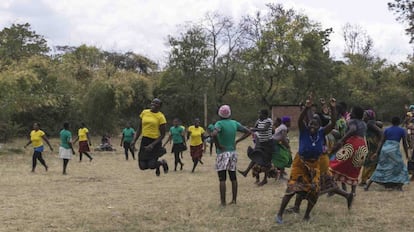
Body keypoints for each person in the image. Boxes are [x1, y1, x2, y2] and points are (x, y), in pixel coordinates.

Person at [275, 96, 336, 224]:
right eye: (310, 123)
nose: (312, 125)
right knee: (293, 188)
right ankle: (279, 214)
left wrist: (333, 108)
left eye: (315, 124)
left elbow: (333, 123)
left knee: (315, 191)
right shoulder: (304, 131)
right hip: (300, 163)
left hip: (315, 165)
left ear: (320, 126)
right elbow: (301, 119)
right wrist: (307, 107)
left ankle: (307, 215)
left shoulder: (321, 133)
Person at [211, 104, 251, 206]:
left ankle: (223, 202)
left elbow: (214, 134)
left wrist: (218, 145)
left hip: (222, 153)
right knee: (233, 177)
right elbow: (248, 132)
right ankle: (234, 200)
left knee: (222, 178)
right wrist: (237, 141)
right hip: (232, 152)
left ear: (219, 114)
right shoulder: (234, 123)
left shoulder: (219, 123)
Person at [329, 106, 368, 196]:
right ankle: (352, 192)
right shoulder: (364, 123)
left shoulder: (352, 121)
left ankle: (332, 188)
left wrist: (342, 140)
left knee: (335, 164)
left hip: (353, 144)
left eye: (351, 112)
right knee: (354, 168)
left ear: (354, 114)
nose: (350, 113)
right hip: (362, 146)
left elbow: (353, 129)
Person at [365, 116, 410, 191]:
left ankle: (368, 186)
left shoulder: (387, 130)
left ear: (391, 122)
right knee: (401, 168)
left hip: (385, 149)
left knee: (381, 167)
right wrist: (407, 154)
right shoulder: (402, 130)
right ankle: (399, 186)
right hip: (394, 149)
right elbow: (404, 143)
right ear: (399, 122)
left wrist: (376, 152)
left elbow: (382, 141)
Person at [131, 98, 168, 176]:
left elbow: (162, 135)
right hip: (145, 140)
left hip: (155, 142)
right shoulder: (144, 112)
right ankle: (158, 163)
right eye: (153, 102)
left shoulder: (161, 117)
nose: (153, 104)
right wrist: (134, 140)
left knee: (151, 165)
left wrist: (152, 145)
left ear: (160, 106)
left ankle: (162, 163)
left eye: (156, 103)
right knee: (142, 166)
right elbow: (139, 128)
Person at [238, 109, 273, 186]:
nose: (258, 115)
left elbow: (264, 129)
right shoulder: (258, 121)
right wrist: (246, 129)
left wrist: (254, 129)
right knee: (255, 157)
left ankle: (265, 179)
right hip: (260, 143)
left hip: (268, 144)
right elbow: (253, 130)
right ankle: (246, 172)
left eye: (260, 114)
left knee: (266, 162)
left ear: (265, 115)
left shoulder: (268, 121)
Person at [359, 110, 383, 186]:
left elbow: (380, 132)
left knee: (368, 162)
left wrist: (381, 138)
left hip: (374, 145)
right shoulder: (369, 123)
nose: (363, 116)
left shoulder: (370, 123)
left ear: (369, 116)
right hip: (373, 145)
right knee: (373, 162)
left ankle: (364, 180)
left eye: (365, 115)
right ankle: (372, 178)